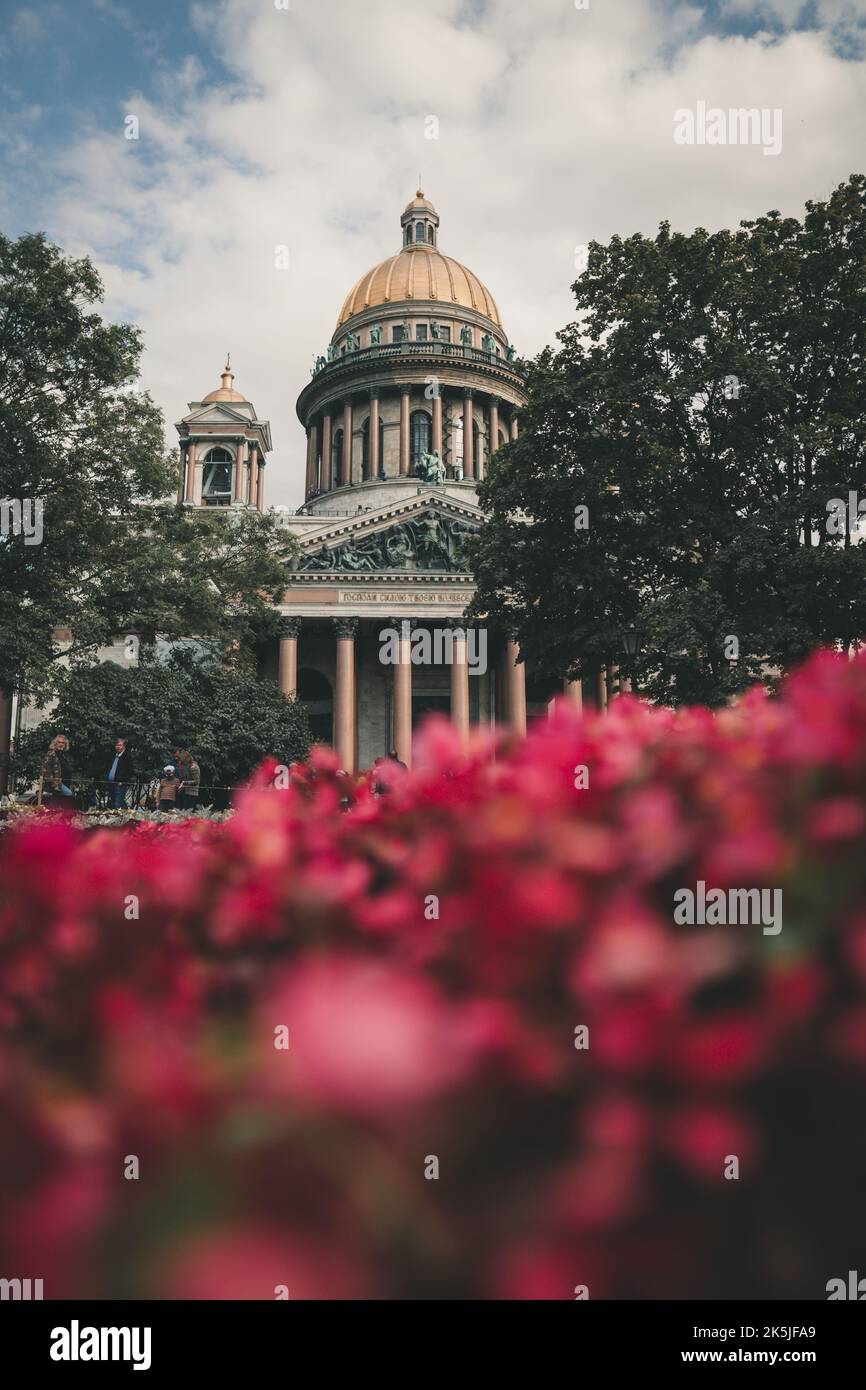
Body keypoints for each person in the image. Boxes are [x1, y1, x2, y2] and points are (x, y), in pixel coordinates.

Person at [41, 734, 74, 807]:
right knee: (68, 794)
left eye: (63, 743)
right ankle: (65, 814)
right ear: (55, 743)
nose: (61, 744)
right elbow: (46, 769)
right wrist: (53, 783)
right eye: (59, 742)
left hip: (65, 783)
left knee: (56, 802)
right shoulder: (51, 754)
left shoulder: (62, 755)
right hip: (56, 784)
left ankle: (53, 815)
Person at [106, 737, 135, 809]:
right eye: (117, 745)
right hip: (111, 783)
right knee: (114, 803)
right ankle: (126, 814)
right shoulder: (113, 756)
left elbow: (130, 771)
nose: (118, 747)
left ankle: (120, 817)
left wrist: (123, 781)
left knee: (117, 804)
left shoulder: (127, 757)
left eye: (120, 745)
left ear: (124, 746)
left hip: (120, 784)